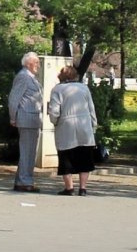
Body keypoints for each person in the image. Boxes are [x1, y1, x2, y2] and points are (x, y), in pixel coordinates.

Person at [47, 64, 98, 196]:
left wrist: (55, 121)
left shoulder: (57, 90)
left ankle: (69, 188)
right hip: (84, 125)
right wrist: (93, 124)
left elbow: (54, 111)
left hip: (66, 126)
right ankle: (83, 188)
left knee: (66, 157)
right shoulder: (84, 88)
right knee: (85, 157)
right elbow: (91, 108)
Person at [7, 52, 44, 192]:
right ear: (29, 64)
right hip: (27, 118)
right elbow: (14, 98)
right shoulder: (23, 76)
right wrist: (13, 117)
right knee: (27, 152)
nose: (38, 66)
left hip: (32, 119)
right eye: (36, 63)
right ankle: (24, 181)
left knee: (29, 152)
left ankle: (22, 180)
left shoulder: (30, 78)